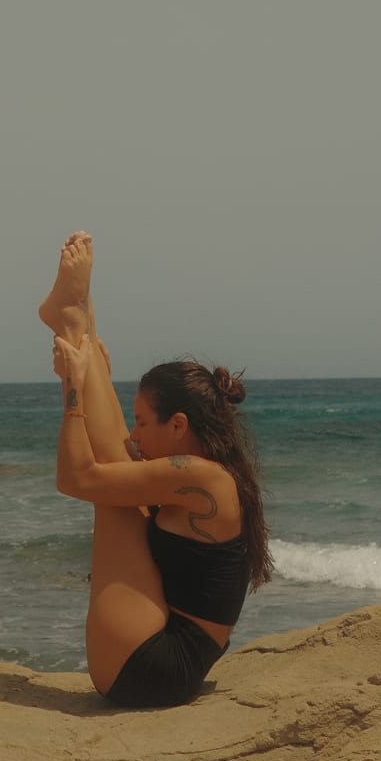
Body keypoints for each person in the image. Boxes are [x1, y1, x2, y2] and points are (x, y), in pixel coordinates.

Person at [40, 231, 272, 708]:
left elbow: (76, 479)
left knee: (113, 490)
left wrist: (74, 391)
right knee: (122, 465)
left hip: (151, 668)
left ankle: (74, 321)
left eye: (144, 421)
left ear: (179, 424)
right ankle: (76, 318)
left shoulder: (200, 476)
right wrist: (93, 377)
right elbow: (116, 453)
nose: (136, 432)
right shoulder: (210, 473)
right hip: (159, 657)